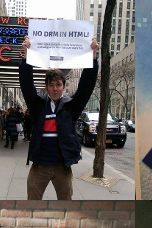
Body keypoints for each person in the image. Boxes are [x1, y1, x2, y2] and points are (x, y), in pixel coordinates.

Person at [19, 35, 99, 200]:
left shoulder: (71, 107)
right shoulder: (38, 106)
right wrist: (26, 56)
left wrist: (92, 57)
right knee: (32, 202)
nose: (55, 89)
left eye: (58, 85)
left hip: (63, 167)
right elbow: (27, 85)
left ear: (63, 86)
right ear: (47, 87)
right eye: (51, 85)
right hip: (39, 167)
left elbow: (86, 87)